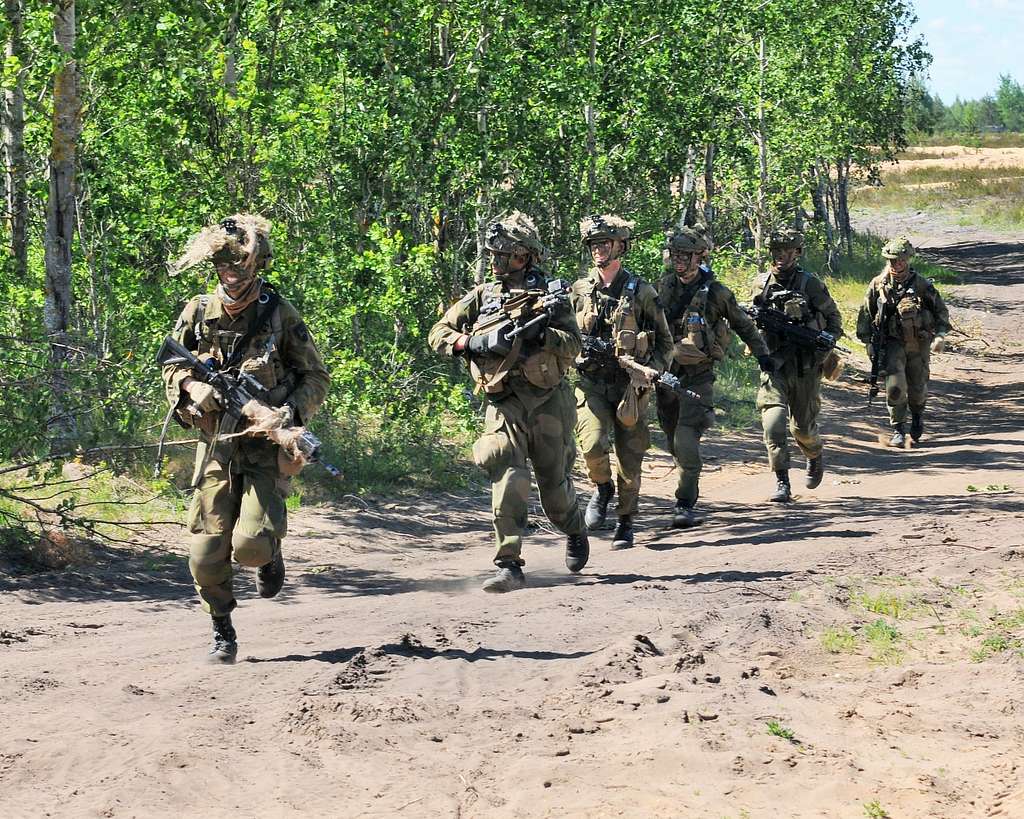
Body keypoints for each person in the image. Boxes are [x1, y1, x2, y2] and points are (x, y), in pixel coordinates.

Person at [162, 214, 330, 663]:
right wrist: (192, 388)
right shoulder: (197, 311)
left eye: (240, 266)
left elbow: (314, 375)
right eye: (224, 266)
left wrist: (285, 415)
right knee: (204, 555)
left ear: (258, 266)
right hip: (216, 447)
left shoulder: (279, 313)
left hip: (264, 450)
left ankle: (269, 554)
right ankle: (223, 629)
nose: (232, 275)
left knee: (250, 547)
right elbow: (171, 364)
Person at [428, 212, 589, 593]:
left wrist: (542, 335)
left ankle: (575, 528)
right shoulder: (484, 295)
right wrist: (471, 342)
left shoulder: (551, 296)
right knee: (508, 474)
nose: (497, 263)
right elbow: (439, 332)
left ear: (524, 257)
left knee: (553, 489)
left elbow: (574, 345)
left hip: (548, 402)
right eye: (494, 255)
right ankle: (509, 562)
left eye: (505, 256)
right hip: (503, 401)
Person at [656, 226, 770, 527]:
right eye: (675, 254)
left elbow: (744, 326)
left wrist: (763, 356)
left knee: (685, 438)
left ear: (699, 257)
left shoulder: (717, 293)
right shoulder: (663, 286)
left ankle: (684, 502)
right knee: (672, 442)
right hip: (665, 379)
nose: (679, 260)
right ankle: (686, 480)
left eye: (685, 255)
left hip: (698, 377)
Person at [572, 214, 673, 549]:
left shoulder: (641, 292)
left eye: (605, 243)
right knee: (591, 446)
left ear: (620, 246)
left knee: (630, 459)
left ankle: (626, 521)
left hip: (630, 386)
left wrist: (651, 371)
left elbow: (664, 343)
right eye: (594, 244)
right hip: (590, 383)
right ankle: (602, 489)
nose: (599, 250)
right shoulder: (580, 290)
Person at [752, 228, 843, 503]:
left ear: (798, 253)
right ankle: (782, 482)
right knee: (773, 424)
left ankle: (814, 454)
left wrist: (821, 343)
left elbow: (834, 320)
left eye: (788, 251)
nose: (781, 256)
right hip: (774, 366)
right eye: (777, 251)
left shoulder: (810, 284)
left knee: (802, 429)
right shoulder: (760, 284)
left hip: (804, 368)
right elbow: (747, 322)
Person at [856, 236, 950, 446]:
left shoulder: (922, 285)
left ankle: (917, 416)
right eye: (892, 261)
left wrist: (940, 335)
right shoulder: (878, 285)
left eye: (901, 261)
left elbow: (941, 312)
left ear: (908, 260)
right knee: (895, 387)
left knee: (917, 387)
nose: (896, 265)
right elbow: (866, 314)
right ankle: (898, 428)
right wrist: (868, 342)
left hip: (918, 344)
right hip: (892, 344)